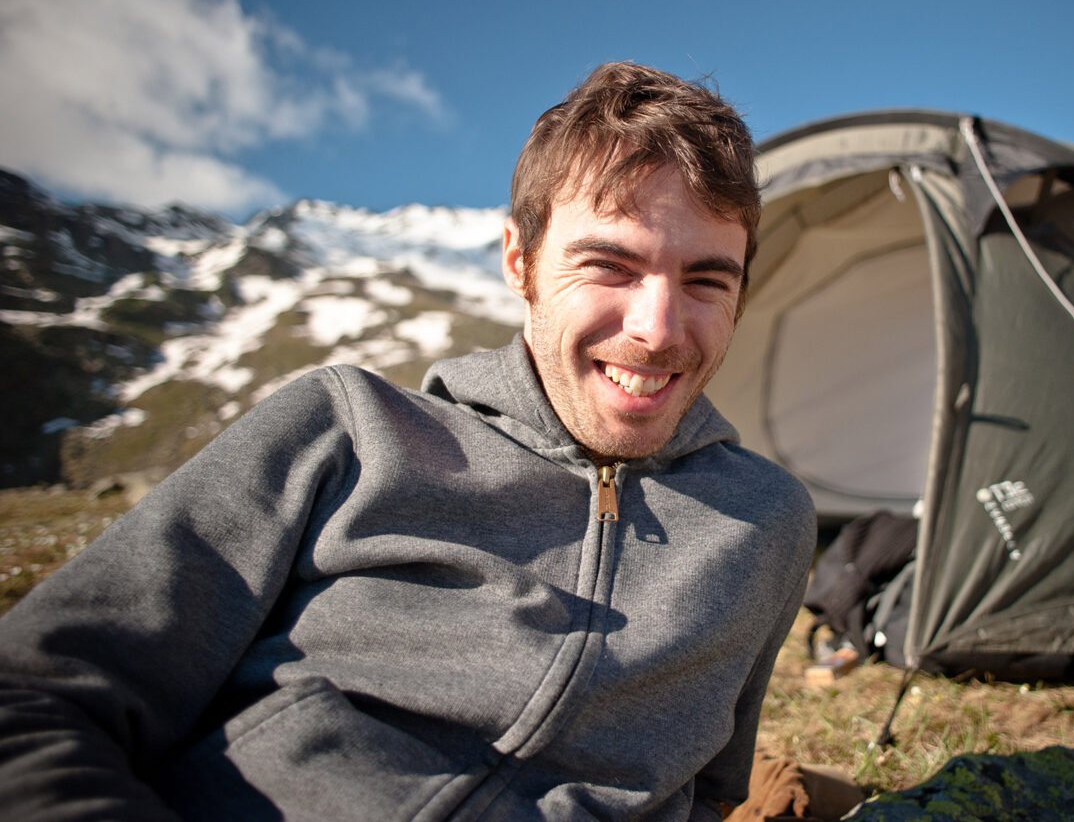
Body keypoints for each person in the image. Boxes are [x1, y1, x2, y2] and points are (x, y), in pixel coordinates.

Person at [0, 62, 817, 820]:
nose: (658, 328)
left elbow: (707, 797)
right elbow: (35, 697)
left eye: (708, 279)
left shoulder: (766, 522)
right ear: (519, 261)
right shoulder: (345, 431)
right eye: (609, 266)